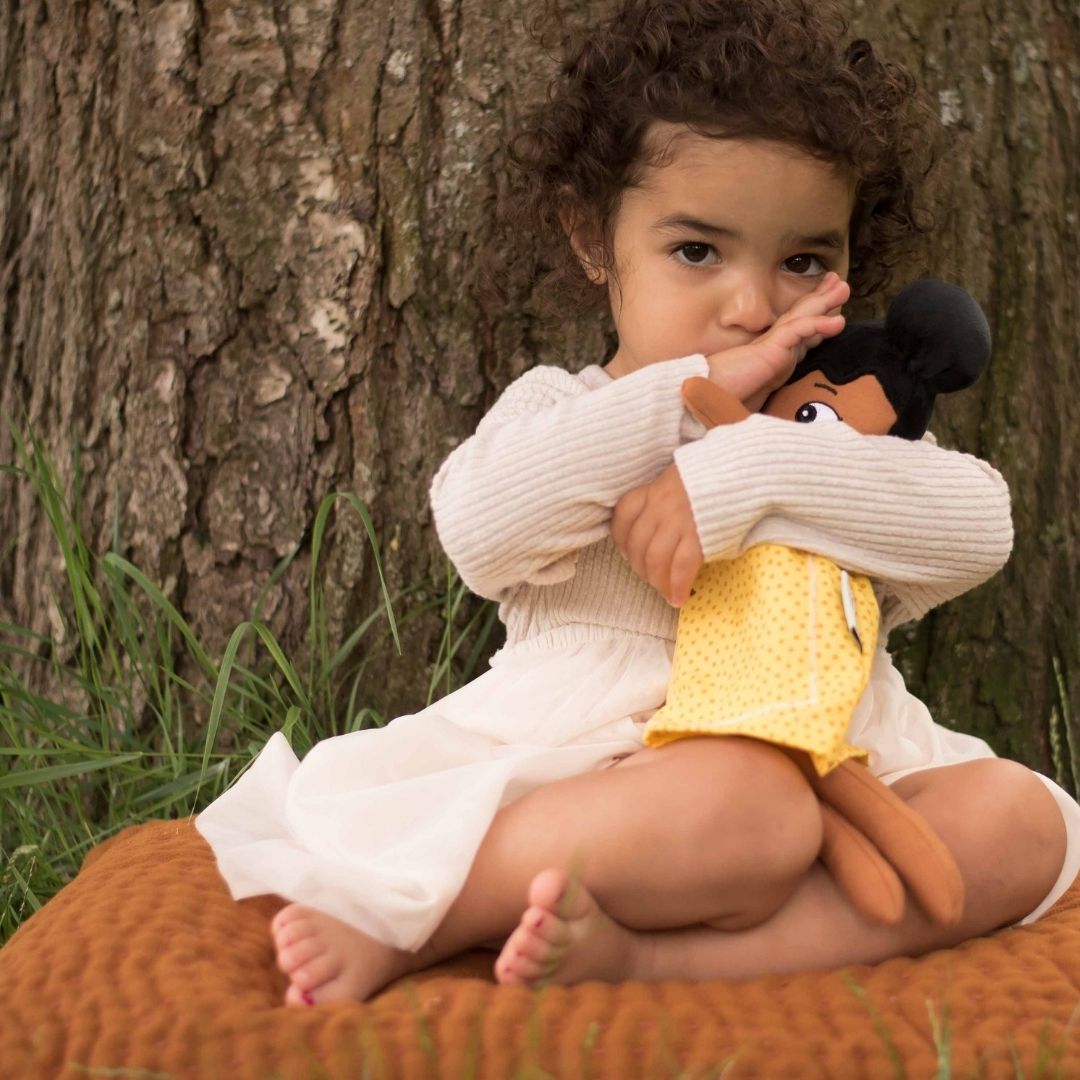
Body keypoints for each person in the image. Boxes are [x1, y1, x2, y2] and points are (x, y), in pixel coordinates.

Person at [195, 0, 1079, 1006]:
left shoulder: (841, 442)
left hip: (847, 771)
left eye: (802, 261)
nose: (752, 305)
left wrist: (749, 473)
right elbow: (480, 531)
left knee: (1023, 819)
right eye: (698, 252)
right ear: (590, 237)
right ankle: (417, 913)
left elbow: (979, 524)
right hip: (625, 787)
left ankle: (661, 963)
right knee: (750, 807)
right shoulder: (573, 412)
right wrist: (678, 404)